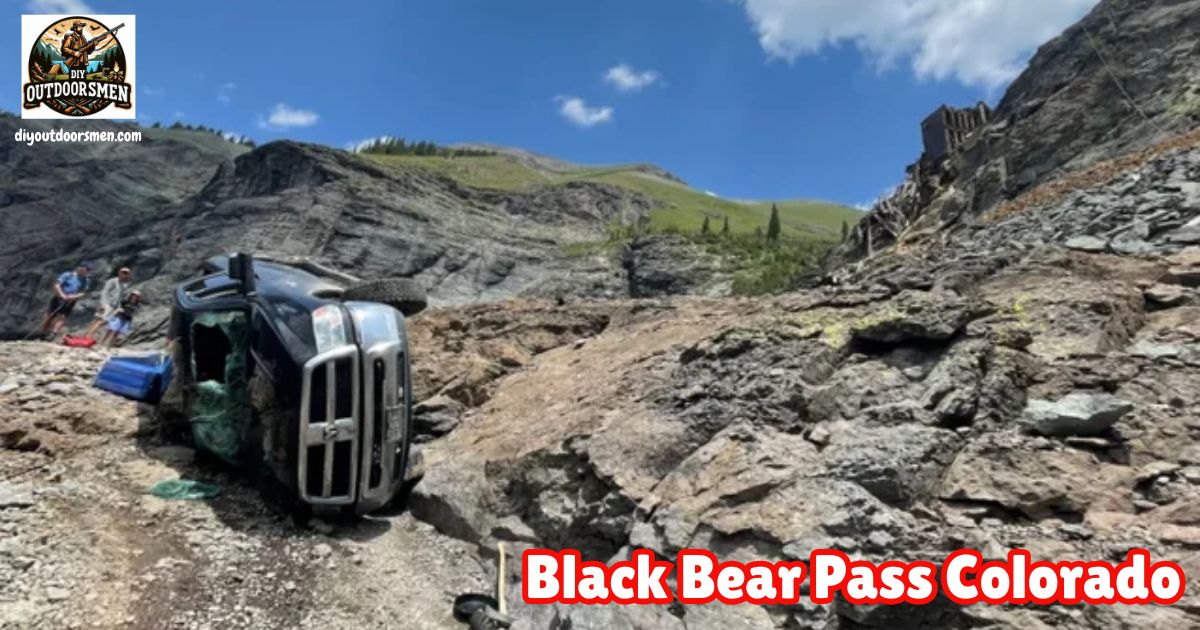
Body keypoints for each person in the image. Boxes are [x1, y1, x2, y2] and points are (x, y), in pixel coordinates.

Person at [39, 263, 91, 339]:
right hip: (58, 298)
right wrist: (62, 295)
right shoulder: (67, 275)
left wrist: (74, 297)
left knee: (63, 317)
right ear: (80, 268)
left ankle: (53, 334)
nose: (87, 272)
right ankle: (43, 334)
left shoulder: (85, 280)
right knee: (50, 316)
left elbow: (83, 292)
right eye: (87, 270)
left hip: (70, 300)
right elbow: (57, 285)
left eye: (88, 270)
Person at [84, 267, 132, 339]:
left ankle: (87, 336)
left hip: (114, 307)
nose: (125, 274)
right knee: (101, 321)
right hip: (108, 305)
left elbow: (119, 297)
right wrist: (103, 304)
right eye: (123, 272)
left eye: (127, 273)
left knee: (101, 321)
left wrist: (119, 308)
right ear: (119, 273)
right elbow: (104, 292)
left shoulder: (123, 285)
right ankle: (87, 337)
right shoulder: (112, 281)